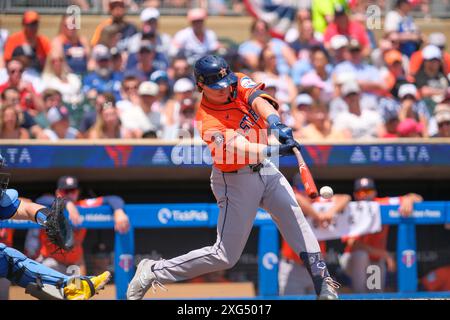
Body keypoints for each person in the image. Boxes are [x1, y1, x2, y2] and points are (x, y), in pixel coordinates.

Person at [127, 55, 340, 300]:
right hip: (235, 179)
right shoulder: (207, 120)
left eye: (226, 82)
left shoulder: (236, 81)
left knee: (296, 220)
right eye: (217, 87)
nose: (226, 88)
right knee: (225, 256)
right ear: (200, 86)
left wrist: (275, 123)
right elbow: (240, 146)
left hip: (266, 169)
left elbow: (260, 101)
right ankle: (154, 271)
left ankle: (323, 283)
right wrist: (271, 149)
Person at [0, 154, 111, 300]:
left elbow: (25, 208)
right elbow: (43, 199)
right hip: (51, 262)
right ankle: (69, 287)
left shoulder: (2, 197)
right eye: (66, 192)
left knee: (8, 260)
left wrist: (48, 218)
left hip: (72, 265)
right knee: (7, 258)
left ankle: (71, 287)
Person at [340, 177, 423, 293]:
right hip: (352, 259)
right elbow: (352, 243)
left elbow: (417, 197)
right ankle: (359, 295)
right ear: (355, 194)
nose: (364, 195)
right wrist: (385, 254)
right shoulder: (351, 209)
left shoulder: (382, 204)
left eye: (368, 191)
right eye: (360, 192)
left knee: (375, 292)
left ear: (375, 192)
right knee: (361, 255)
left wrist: (408, 200)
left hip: (375, 261)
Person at [34, 175, 130, 276]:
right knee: (49, 269)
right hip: (52, 261)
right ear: (58, 192)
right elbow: (40, 200)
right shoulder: (50, 204)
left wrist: (118, 211)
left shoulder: (82, 205)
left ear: (78, 192)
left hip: (74, 264)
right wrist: (65, 203)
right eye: (66, 191)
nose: (70, 194)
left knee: (80, 289)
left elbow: (113, 199)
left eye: (73, 191)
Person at [279, 174, 351, 295]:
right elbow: (297, 198)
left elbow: (345, 197)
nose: (304, 192)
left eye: (307, 188)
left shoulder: (319, 202)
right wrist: (317, 216)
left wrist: (329, 212)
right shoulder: (290, 199)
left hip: (316, 266)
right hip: (293, 267)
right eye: (301, 188)